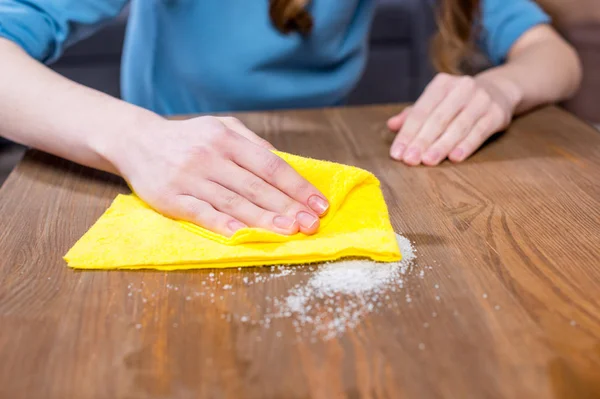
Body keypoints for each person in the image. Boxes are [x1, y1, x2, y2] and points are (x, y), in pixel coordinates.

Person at [0, 0, 581, 237]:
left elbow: (555, 57)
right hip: (167, 183)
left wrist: (501, 89)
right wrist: (133, 137)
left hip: (319, 170)